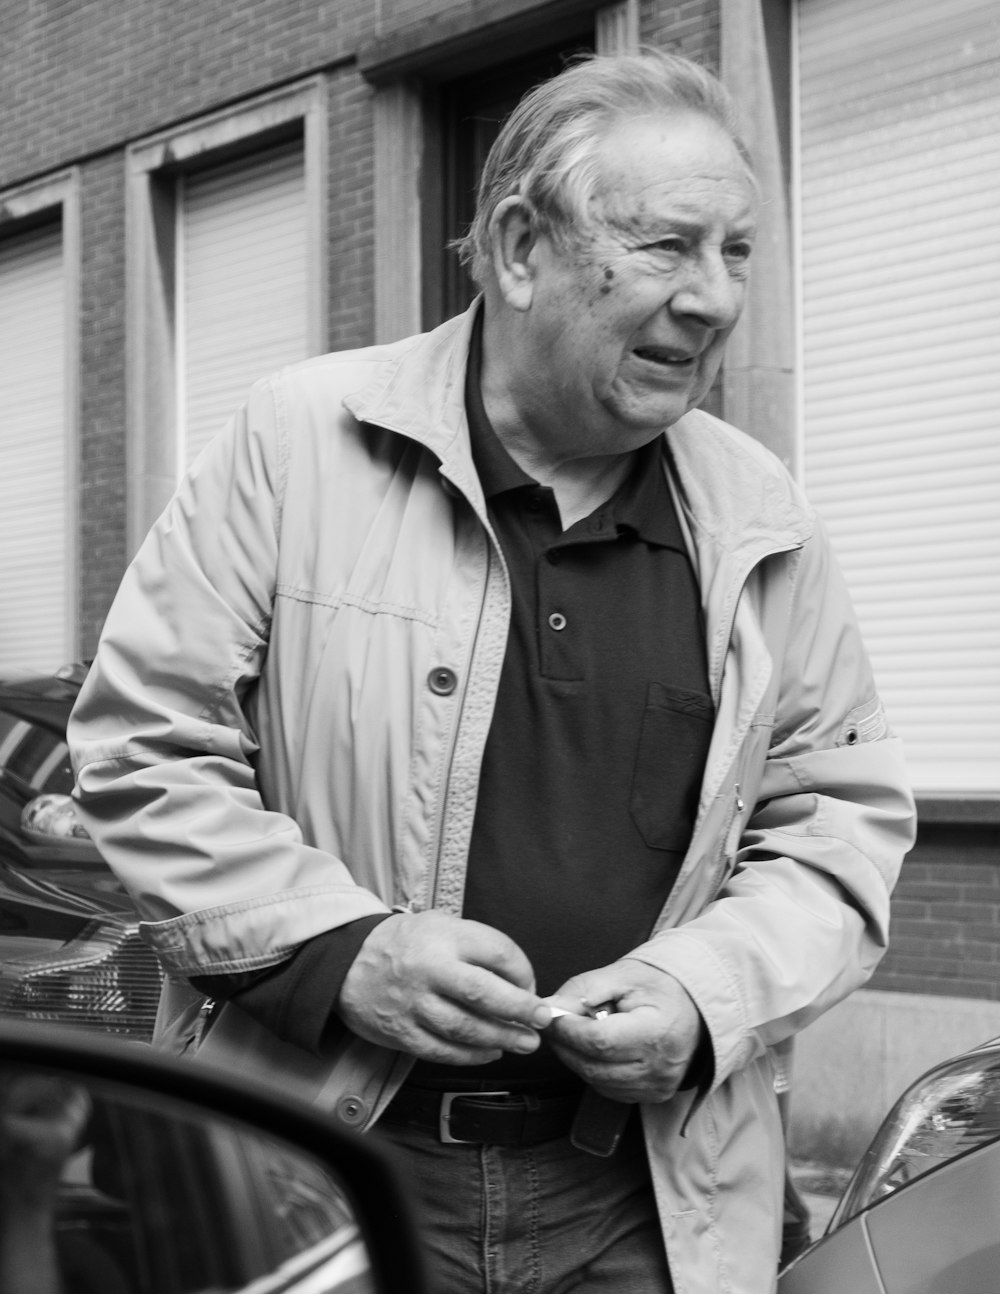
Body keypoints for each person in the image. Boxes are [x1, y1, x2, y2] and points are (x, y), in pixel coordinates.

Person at [68, 49, 915, 1294]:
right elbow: (142, 743)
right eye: (670, 245)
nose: (715, 297)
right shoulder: (298, 442)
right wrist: (342, 948)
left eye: (737, 251)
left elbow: (837, 821)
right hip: (321, 1175)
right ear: (521, 247)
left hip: (642, 1202)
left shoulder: (760, 511)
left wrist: (702, 989)